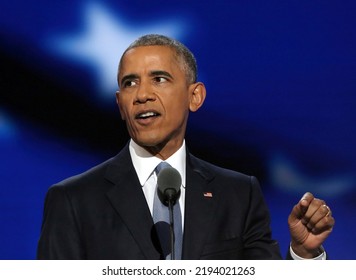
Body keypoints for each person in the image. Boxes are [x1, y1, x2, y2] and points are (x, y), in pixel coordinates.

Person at [37, 34, 335, 260]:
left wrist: (303, 253)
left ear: (195, 96)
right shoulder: (72, 200)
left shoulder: (239, 195)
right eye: (130, 83)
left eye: (159, 79)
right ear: (120, 105)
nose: (142, 95)